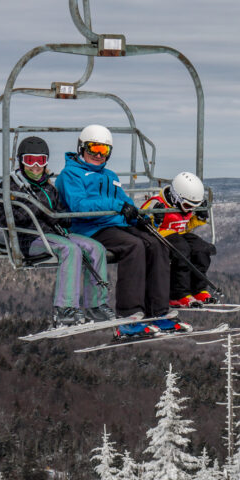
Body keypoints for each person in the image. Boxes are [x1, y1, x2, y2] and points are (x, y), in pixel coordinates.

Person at [55, 124, 192, 340]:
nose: (98, 155)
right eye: (93, 149)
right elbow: (78, 205)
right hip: (90, 227)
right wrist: (116, 206)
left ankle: (158, 311)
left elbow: (124, 201)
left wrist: (138, 215)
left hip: (116, 224)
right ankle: (129, 315)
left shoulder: (110, 175)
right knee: (134, 246)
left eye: (104, 151)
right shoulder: (70, 175)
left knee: (157, 244)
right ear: (81, 148)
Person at [0, 136, 116, 326]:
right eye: (30, 160)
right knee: (70, 250)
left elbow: (61, 214)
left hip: (55, 235)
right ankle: (65, 308)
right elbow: (1, 218)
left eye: (40, 160)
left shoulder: (48, 187)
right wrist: (34, 210)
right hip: (29, 239)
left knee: (95, 248)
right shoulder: (11, 186)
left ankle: (96, 305)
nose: (35, 166)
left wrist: (63, 217)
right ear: (21, 161)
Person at [141, 171, 218, 308]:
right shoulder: (156, 204)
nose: (189, 210)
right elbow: (141, 221)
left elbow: (185, 225)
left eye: (194, 207)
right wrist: (155, 219)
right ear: (176, 197)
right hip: (161, 235)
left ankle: (198, 289)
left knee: (202, 250)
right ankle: (178, 294)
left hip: (180, 234)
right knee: (182, 251)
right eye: (188, 206)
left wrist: (198, 218)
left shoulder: (183, 208)